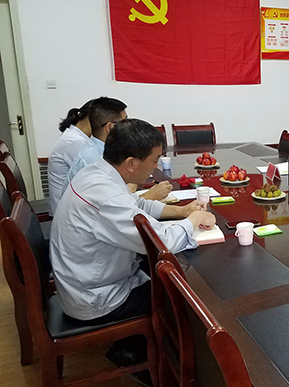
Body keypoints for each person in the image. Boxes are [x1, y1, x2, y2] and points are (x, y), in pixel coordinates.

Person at [50, 117, 215, 322]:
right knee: (192, 296)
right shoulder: (107, 197)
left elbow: (135, 204)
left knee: (165, 275)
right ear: (131, 163)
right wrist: (195, 218)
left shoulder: (96, 172)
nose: (155, 165)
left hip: (86, 283)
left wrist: (181, 212)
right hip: (98, 299)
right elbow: (162, 244)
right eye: (154, 160)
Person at [62, 97, 171, 201]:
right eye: (124, 121)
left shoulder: (102, 148)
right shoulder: (92, 158)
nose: (129, 125)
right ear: (110, 127)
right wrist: (150, 195)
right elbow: (114, 202)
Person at [47, 99, 94, 215]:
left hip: (70, 205)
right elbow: (98, 176)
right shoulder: (75, 142)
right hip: (67, 212)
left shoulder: (74, 135)